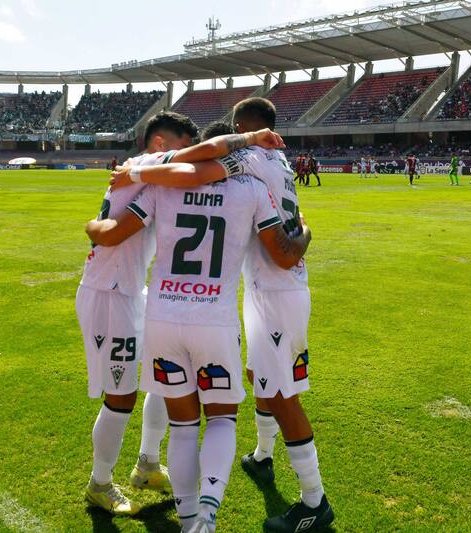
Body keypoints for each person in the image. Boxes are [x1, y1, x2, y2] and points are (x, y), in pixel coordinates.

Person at [110, 97, 334, 533]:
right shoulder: (278, 166)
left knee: (281, 394)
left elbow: (196, 166)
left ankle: (314, 501)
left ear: (243, 128)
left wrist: (138, 170)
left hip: (269, 292)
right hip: (262, 294)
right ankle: (263, 457)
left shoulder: (246, 158)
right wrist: (305, 230)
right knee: (260, 380)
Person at [80, 111, 289, 518]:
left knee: (163, 383)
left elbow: (194, 175)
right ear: (160, 144)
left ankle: (146, 464)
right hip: (109, 291)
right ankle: (99, 483)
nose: (185, 157)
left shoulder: (155, 174)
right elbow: (113, 231)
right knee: (121, 397)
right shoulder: (148, 167)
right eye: (181, 146)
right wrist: (93, 228)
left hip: (134, 290)